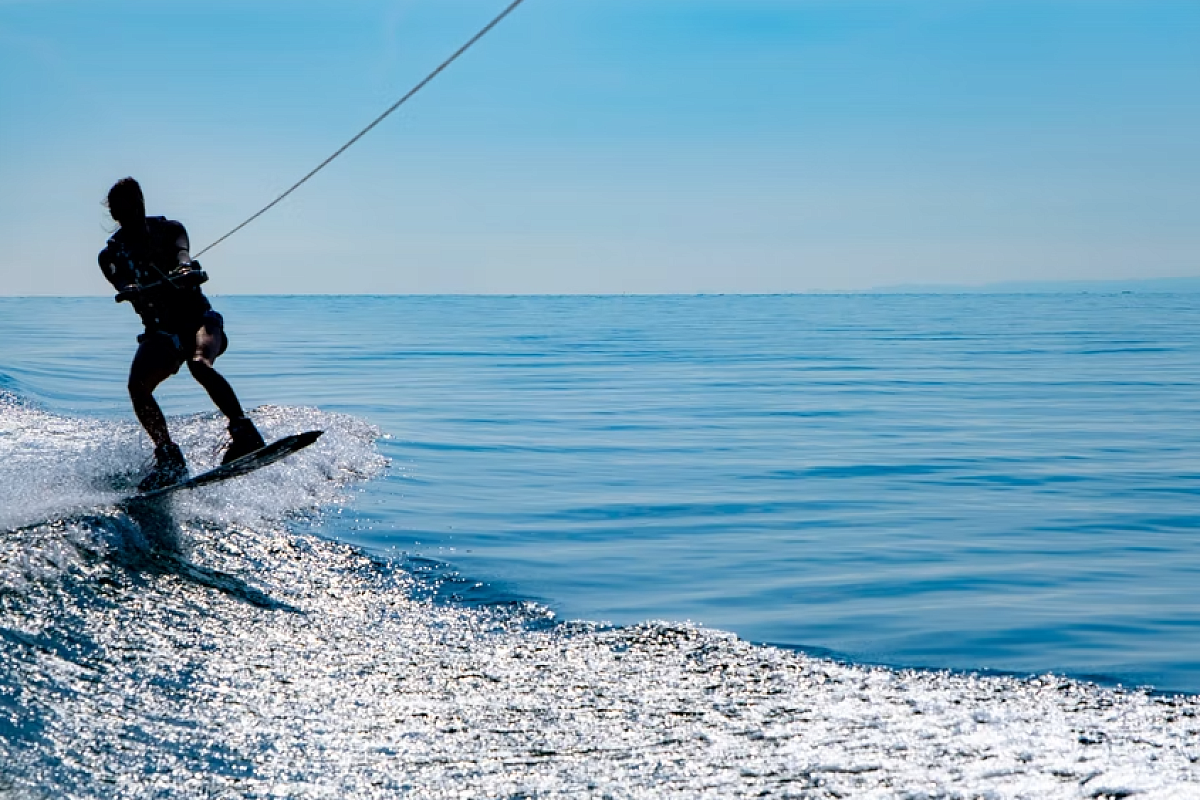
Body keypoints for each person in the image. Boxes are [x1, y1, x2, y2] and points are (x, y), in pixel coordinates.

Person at [98, 177, 265, 491]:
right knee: (137, 386)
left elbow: (181, 253)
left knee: (200, 364)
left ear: (141, 204)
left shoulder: (170, 230)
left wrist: (185, 267)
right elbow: (118, 280)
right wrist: (127, 288)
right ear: (115, 216)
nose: (129, 218)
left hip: (200, 321)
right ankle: (168, 456)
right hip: (160, 333)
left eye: (133, 209)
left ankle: (244, 433)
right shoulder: (110, 255)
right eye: (121, 214)